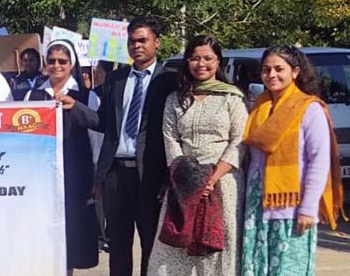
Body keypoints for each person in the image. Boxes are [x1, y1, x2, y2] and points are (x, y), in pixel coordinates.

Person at [146, 35, 247, 275]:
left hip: (222, 183)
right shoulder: (176, 99)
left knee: (219, 248)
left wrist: (211, 178)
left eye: (208, 58)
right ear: (187, 62)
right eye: (194, 58)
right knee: (174, 247)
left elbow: (240, 141)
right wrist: (189, 178)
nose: (201, 64)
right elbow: (170, 138)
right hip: (183, 183)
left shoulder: (232, 98)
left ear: (218, 62)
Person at [240, 45, 344, 275]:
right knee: (256, 269)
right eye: (266, 70)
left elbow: (319, 162)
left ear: (295, 72)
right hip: (256, 207)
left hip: (291, 209)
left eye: (279, 69)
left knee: (289, 270)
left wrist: (308, 208)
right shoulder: (259, 108)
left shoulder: (309, 109)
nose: (272, 75)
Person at [94, 18, 177, 276]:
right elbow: (103, 122)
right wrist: (75, 109)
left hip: (150, 176)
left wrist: (168, 177)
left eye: (143, 40)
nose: (136, 46)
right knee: (118, 245)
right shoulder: (116, 79)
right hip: (116, 174)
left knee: (151, 244)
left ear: (157, 42)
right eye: (132, 41)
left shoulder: (169, 80)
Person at [23, 40, 101, 271]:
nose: (56, 66)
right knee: (45, 235)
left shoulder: (87, 97)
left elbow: (96, 141)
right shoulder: (32, 96)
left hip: (76, 175)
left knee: (72, 236)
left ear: (71, 64)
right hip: (43, 179)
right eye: (51, 61)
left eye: (62, 61)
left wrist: (97, 177)